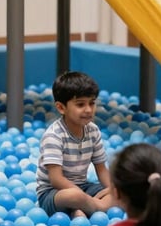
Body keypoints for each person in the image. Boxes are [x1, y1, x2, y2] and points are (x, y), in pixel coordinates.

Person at [36, 71, 113, 218]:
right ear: (61, 108)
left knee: (122, 194)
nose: (88, 110)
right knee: (74, 197)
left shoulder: (93, 131)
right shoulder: (54, 135)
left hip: (84, 187)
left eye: (92, 103)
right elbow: (56, 179)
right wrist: (85, 198)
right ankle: (94, 207)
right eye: (80, 104)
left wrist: (112, 189)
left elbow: (102, 170)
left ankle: (81, 210)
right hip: (54, 193)